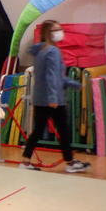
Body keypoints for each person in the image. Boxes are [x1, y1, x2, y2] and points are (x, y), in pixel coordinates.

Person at [20, 20, 90, 173]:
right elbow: (52, 77)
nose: (60, 32)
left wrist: (74, 84)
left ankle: (26, 161)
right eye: (56, 29)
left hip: (42, 98)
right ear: (48, 33)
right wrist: (53, 98)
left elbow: (56, 76)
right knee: (63, 130)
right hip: (52, 99)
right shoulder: (52, 51)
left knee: (39, 130)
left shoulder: (41, 51)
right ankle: (70, 162)